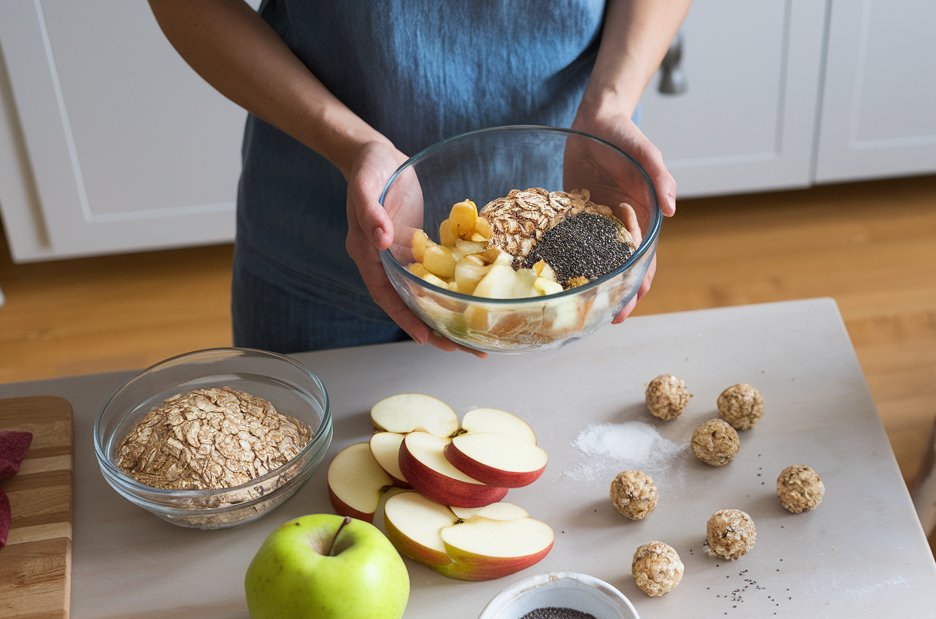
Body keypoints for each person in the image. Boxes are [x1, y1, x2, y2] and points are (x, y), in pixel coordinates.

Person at [149, 0, 686, 355]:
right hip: (318, 215)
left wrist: (613, 101)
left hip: (573, 209)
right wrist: (353, 145)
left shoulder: (562, 260)